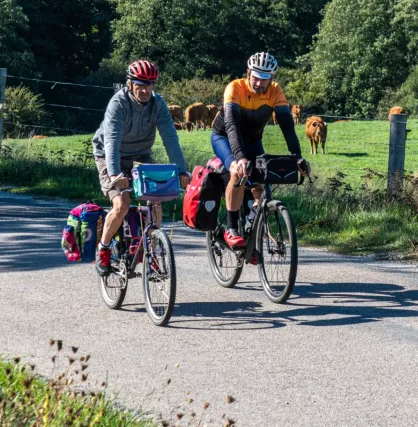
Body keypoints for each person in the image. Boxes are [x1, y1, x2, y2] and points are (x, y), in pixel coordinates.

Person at [93, 60, 191, 275]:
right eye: (140, 85)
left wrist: (182, 171)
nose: (145, 90)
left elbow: (170, 139)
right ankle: (104, 249)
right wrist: (114, 173)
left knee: (156, 199)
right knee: (122, 204)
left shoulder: (158, 105)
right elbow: (112, 141)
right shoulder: (118, 104)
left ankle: (153, 254)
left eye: (150, 85)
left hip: (140, 155)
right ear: (129, 84)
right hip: (111, 156)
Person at [211, 52, 308, 248]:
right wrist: (239, 158)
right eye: (255, 77)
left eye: (265, 78)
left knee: (261, 182)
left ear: (271, 78)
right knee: (238, 173)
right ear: (248, 73)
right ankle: (231, 229)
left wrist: (297, 158)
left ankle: (252, 230)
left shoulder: (275, 91)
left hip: (253, 140)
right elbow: (231, 125)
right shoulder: (235, 88)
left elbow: (287, 125)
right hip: (224, 137)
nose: (259, 82)